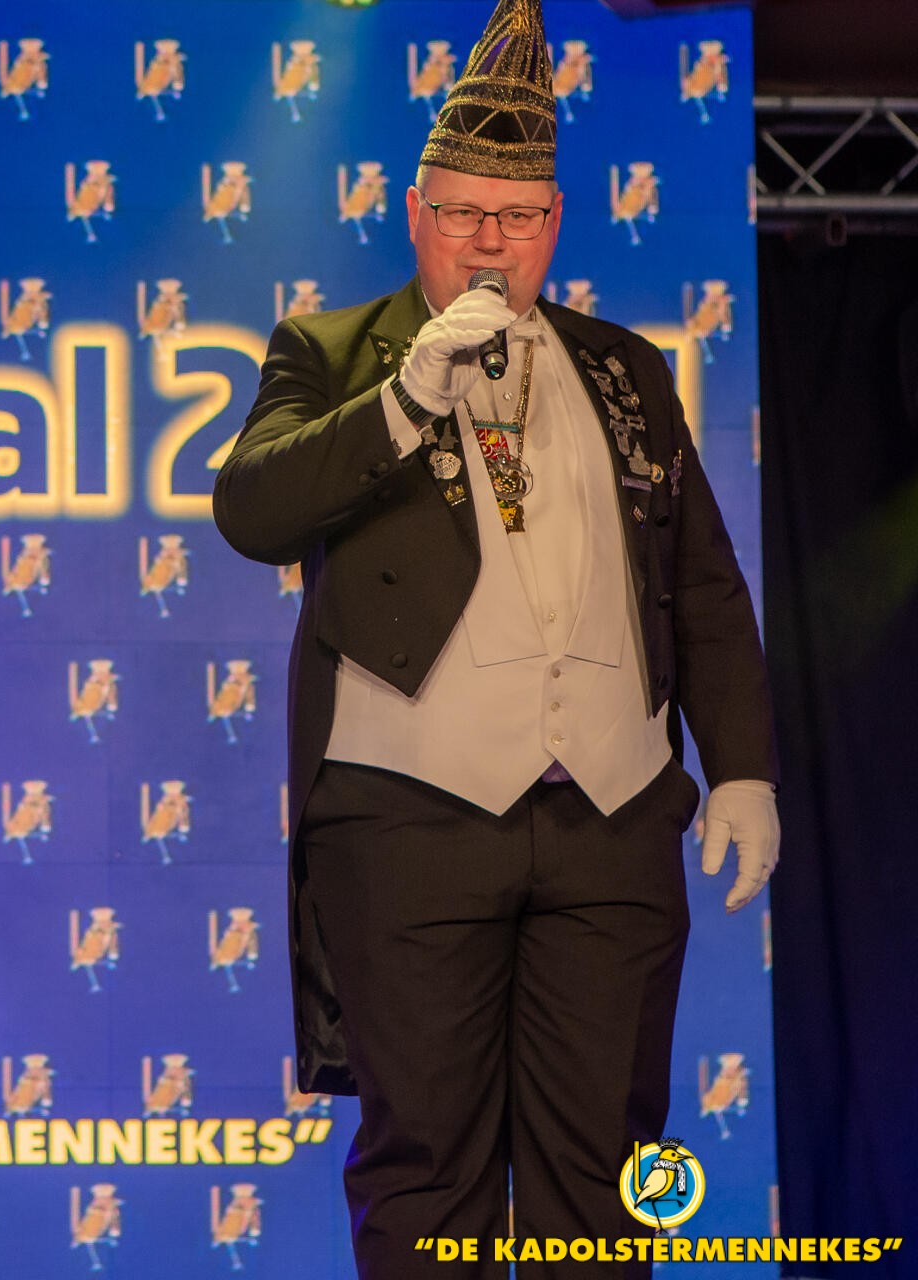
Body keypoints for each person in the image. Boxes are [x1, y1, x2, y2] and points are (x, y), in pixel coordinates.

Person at [211, 1, 781, 1275]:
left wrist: (743, 766)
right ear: (415, 213)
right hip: (409, 816)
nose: (488, 241)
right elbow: (252, 508)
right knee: (429, 1165)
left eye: (517, 217)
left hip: (613, 816)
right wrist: (405, 395)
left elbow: (702, 583)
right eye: (464, 211)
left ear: (555, 224)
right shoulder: (333, 351)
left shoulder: (627, 369)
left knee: (609, 1166)